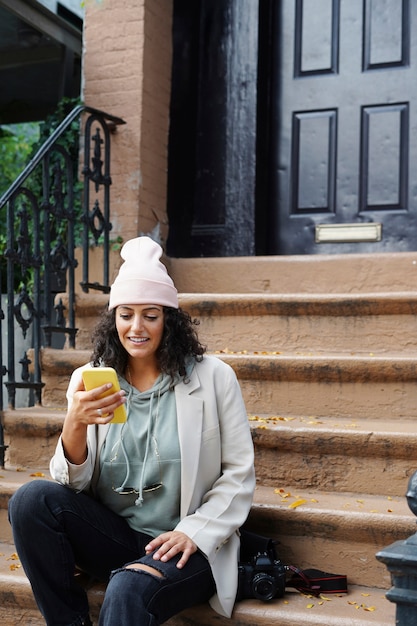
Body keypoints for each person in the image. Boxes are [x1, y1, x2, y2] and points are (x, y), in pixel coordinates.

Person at [8, 236, 256, 626]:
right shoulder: (92, 380)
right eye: (125, 314)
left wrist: (194, 531)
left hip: (187, 547)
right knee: (30, 500)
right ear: (113, 320)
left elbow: (239, 475)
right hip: (117, 536)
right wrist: (75, 421)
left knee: (128, 588)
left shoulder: (213, 379)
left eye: (150, 315)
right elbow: (69, 484)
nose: (136, 327)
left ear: (169, 320)